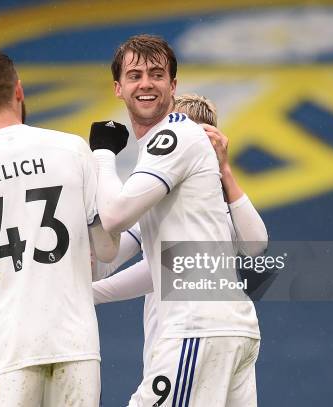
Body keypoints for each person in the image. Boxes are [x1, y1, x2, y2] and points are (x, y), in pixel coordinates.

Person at [0, 50, 118, 407]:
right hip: (74, 344)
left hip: (4, 352)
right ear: (18, 91)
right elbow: (107, 249)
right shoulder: (72, 149)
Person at [89, 35, 262, 406]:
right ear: (118, 88)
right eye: (135, 75)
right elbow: (125, 254)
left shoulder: (174, 136)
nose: (147, 83)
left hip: (196, 329)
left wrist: (102, 155)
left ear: (173, 85)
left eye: (156, 74)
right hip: (226, 329)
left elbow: (116, 217)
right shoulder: (159, 170)